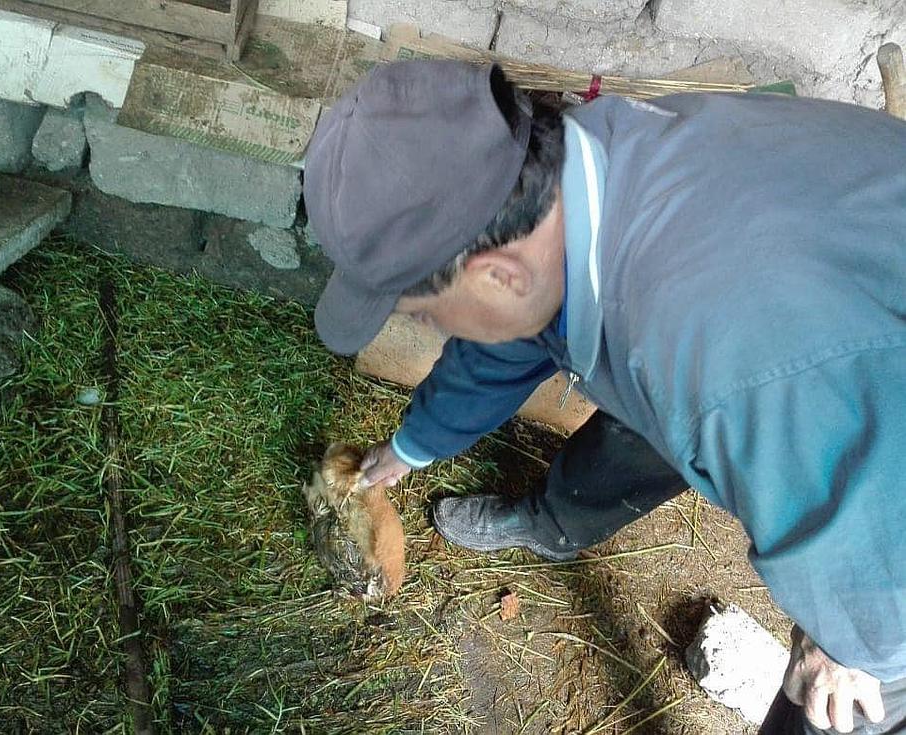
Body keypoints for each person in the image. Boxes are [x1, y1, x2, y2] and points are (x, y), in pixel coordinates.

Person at [303, 59, 906, 734]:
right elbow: (513, 332)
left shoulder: (733, 371)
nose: (428, 326)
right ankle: (555, 522)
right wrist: (413, 446)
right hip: (815, 316)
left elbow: (885, 562)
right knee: (643, 404)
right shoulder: (572, 182)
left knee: (838, 702)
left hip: (886, 521)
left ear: (497, 275)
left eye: (425, 314)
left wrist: (845, 645)